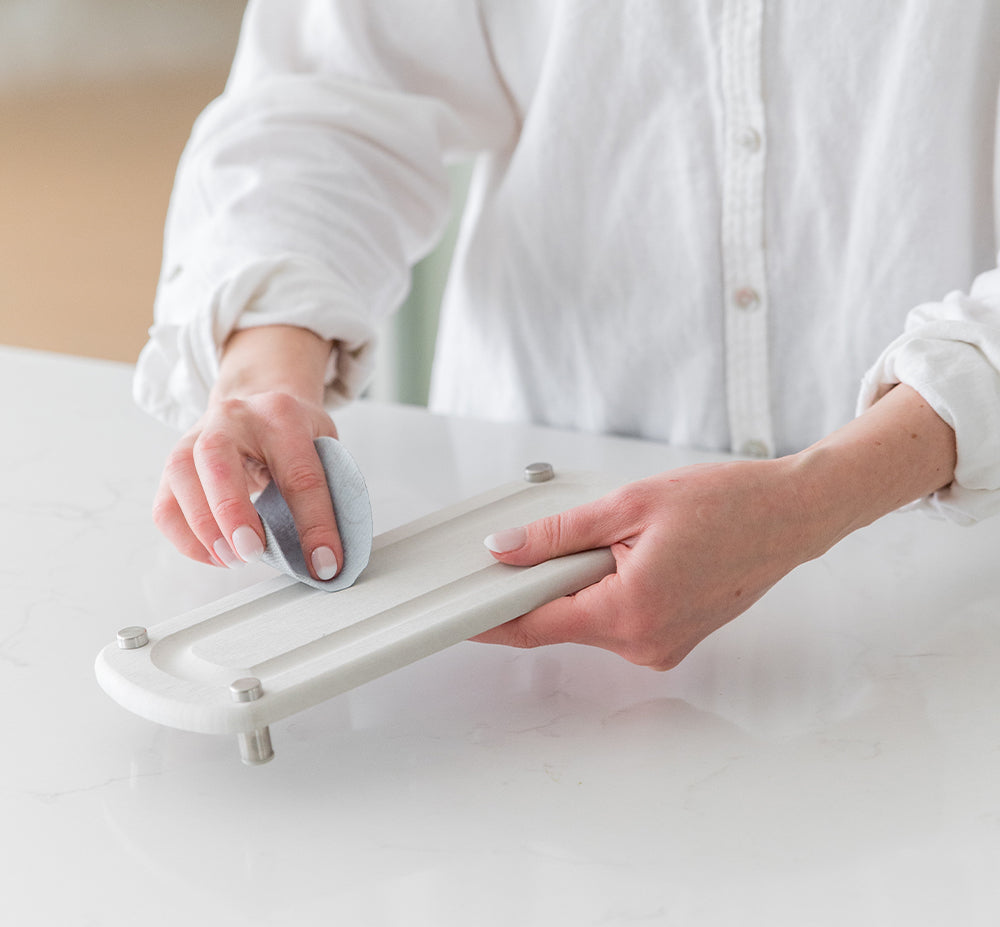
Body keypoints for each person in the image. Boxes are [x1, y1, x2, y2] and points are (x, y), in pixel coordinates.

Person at [137, 1, 1000, 670]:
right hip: (520, 537)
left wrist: (814, 498)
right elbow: (331, 94)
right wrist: (266, 371)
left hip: (946, 562)